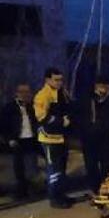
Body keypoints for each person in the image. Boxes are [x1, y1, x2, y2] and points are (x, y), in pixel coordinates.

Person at [34, 67, 74, 209]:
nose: (59, 82)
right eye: (56, 80)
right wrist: (61, 121)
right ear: (47, 80)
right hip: (49, 139)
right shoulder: (43, 95)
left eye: (61, 80)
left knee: (61, 169)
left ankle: (61, 195)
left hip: (61, 137)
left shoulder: (62, 92)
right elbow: (41, 116)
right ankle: (54, 199)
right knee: (54, 170)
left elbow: (69, 107)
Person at [77, 75, 109, 193]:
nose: (105, 89)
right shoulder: (87, 99)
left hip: (105, 137)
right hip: (89, 138)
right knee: (91, 165)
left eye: (107, 87)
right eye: (102, 86)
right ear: (96, 86)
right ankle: (95, 189)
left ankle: (107, 187)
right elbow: (79, 116)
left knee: (107, 163)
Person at [0, 84, 40, 198]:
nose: (25, 94)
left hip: (32, 138)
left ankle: (34, 185)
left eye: (27, 92)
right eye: (22, 92)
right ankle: (21, 190)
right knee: (19, 165)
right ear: (16, 93)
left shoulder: (32, 106)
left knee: (32, 162)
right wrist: (9, 139)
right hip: (18, 139)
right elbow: (4, 125)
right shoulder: (9, 108)